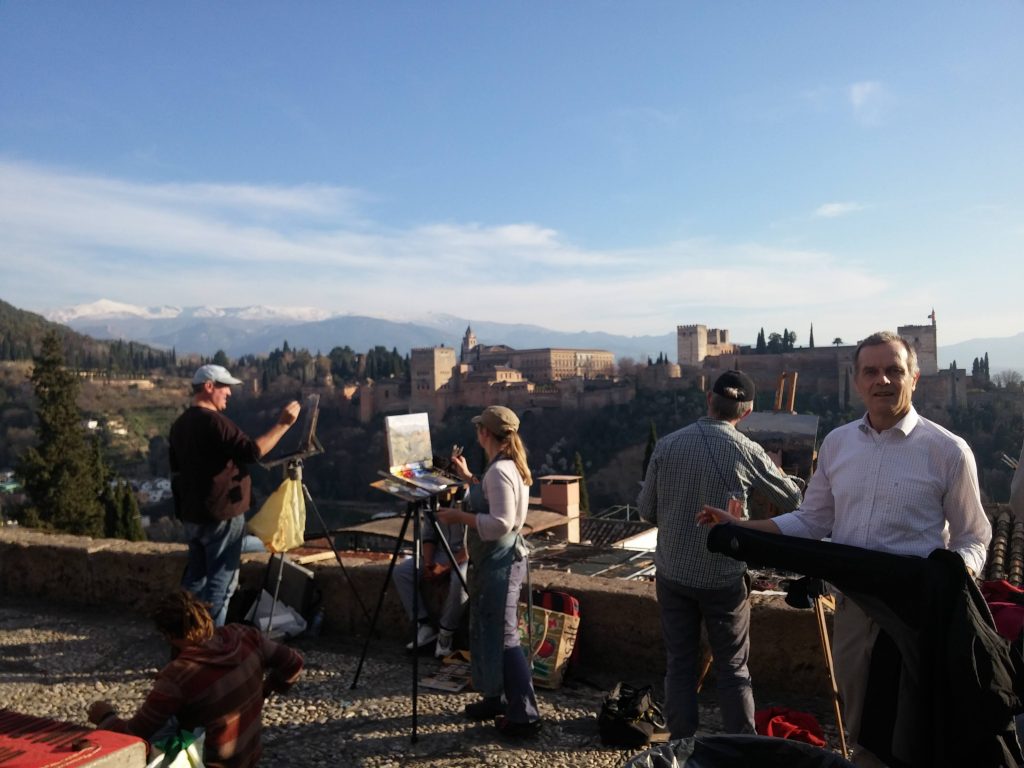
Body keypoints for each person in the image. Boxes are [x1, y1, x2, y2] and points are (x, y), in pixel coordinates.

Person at [699, 331, 991, 766]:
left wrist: (952, 578)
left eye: (894, 370)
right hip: (853, 609)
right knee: (860, 723)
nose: (883, 380)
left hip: (917, 616)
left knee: (914, 727)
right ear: (857, 381)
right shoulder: (838, 444)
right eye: (871, 371)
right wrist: (745, 527)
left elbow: (974, 537)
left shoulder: (948, 451)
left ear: (915, 377)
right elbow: (812, 521)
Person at [637, 370, 804, 740]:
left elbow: (647, 512)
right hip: (723, 577)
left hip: (673, 573)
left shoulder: (666, 445)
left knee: (680, 664)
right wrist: (777, 468)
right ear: (746, 414)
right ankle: (741, 749)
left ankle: (680, 747)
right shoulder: (747, 450)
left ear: (709, 399)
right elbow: (794, 501)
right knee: (733, 668)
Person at [87, 590, 304, 768]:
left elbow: (134, 734)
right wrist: (264, 690)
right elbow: (294, 663)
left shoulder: (179, 675)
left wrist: (105, 716)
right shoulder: (244, 634)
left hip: (212, 763)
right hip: (249, 755)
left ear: (168, 635)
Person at [436, 405, 541, 738]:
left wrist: (458, 518)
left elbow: (501, 523)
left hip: (501, 562)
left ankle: (525, 714)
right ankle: (495, 697)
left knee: (505, 637)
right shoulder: (506, 466)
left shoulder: (499, 471)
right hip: (497, 561)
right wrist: (468, 478)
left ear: (485, 433)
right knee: (488, 632)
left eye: (479, 428)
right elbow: (494, 496)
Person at [169, 364, 301, 626]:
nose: (229, 392)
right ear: (209, 387)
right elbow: (251, 452)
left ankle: (183, 634)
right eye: (224, 387)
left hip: (193, 514)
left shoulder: (180, 424)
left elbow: (177, 470)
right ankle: (211, 646)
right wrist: (283, 425)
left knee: (196, 578)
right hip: (221, 514)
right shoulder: (215, 422)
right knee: (222, 585)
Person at [392, 513, 468, 657]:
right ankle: (423, 623)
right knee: (402, 573)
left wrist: (445, 568)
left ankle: (446, 633)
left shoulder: (472, 498)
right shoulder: (434, 498)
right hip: (440, 552)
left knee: (460, 580)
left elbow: (474, 543)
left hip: (465, 555)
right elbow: (429, 534)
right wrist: (428, 565)